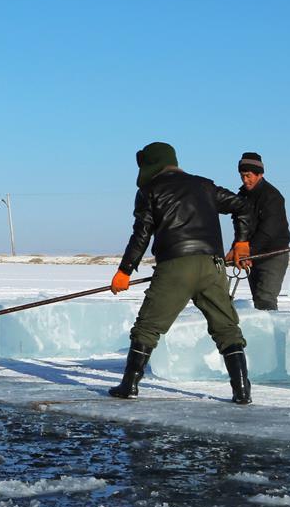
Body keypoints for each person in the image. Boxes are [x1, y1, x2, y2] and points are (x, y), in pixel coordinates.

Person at [109, 142, 255, 404]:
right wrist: (241, 241)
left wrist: (124, 271)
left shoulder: (149, 191)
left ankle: (129, 385)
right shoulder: (204, 185)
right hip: (213, 266)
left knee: (147, 327)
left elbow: (141, 234)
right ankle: (242, 391)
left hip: (175, 267)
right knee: (227, 329)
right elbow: (242, 206)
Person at [227, 152, 290, 310]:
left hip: (273, 254)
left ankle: (272, 331)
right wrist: (236, 248)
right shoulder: (242, 196)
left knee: (265, 299)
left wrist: (248, 251)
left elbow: (269, 231)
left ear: (260, 174)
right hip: (251, 254)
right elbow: (241, 228)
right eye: (242, 176)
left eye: (248, 176)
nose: (245, 180)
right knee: (257, 299)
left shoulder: (272, 197)